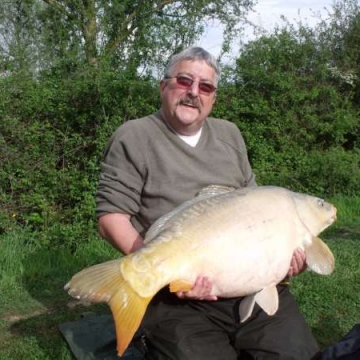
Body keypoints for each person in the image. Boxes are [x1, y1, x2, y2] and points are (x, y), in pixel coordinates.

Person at [95, 47, 320, 360]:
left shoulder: (230, 134)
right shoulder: (134, 136)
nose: (193, 93)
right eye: (184, 81)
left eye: (205, 87)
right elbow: (111, 218)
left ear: (213, 96)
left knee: (299, 354)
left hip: (249, 285)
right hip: (176, 298)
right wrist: (156, 269)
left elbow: (256, 207)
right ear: (163, 86)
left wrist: (282, 260)